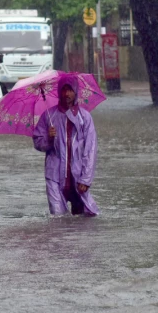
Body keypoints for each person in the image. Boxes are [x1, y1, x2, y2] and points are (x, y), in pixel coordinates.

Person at [33, 76, 99, 216]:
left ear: (76, 92)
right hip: (55, 176)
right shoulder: (48, 116)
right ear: (59, 92)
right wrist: (49, 139)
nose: (66, 94)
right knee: (58, 221)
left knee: (84, 219)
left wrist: (86, 179)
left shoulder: (85, 118)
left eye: (70, 90)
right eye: (63, 90)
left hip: (78, 176)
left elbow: (90, 150)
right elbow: (38, 143)